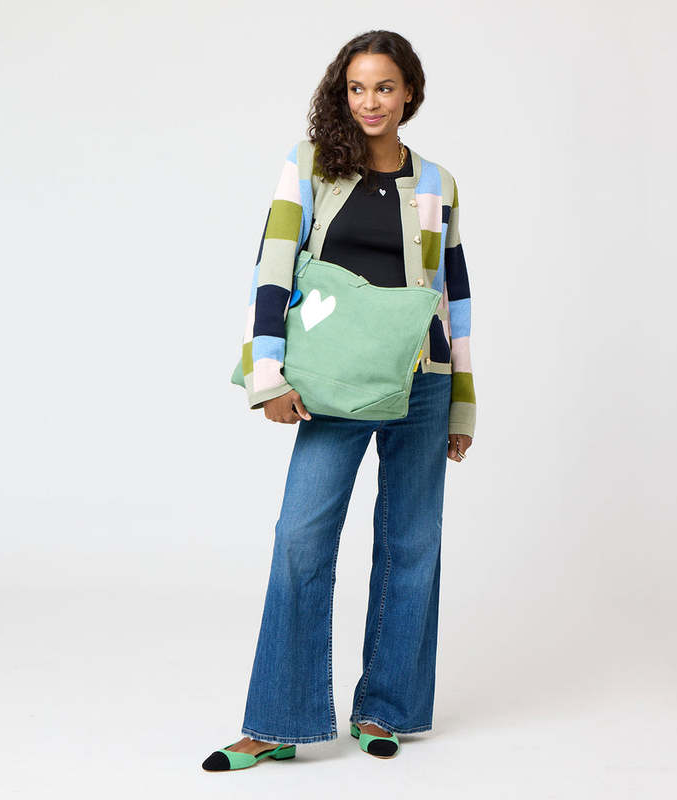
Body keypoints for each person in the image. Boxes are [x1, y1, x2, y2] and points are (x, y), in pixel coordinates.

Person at [203, 29, 476, 771]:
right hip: (331, 382)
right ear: (342, 93)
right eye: (357, 88)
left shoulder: (439, 183)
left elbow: (453, 296)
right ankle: (277, 721)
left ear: (410, 92)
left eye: (384, 87)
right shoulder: (311, 165)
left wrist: (462, 402)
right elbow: (271, 267)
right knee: (301, 536)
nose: (369, 101)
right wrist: (267, 375)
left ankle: (385, 709)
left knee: (412, 543)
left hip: (422, 379)